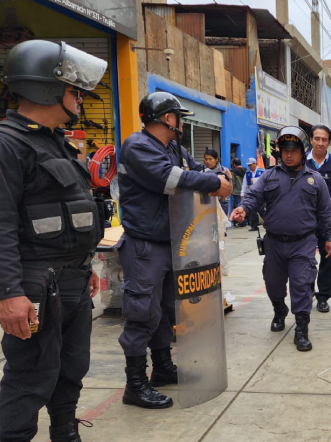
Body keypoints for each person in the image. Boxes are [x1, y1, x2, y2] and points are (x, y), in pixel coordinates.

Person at [0, 40, 105, 442]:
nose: (80, 98)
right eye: (73, 89)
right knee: (30, 374)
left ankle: (65, 431)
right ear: (45, 88)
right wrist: (9, 293)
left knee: (71, 367)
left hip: (70, 281)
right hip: (34, 286)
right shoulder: (2, 145)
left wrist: (84, 268)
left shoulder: (53, 140)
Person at [117, 92, 233, 409]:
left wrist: (219, 178)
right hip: (145, 246)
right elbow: (172, 179)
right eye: (178, 117)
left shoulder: (173, 148)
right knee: (142, 314)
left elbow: (198, 170)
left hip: (171, 244)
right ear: (168, 118)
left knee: (168, 310)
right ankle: (135, 384)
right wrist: (215, 182)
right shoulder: (137, 146)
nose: (181, 122)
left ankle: (163, 368)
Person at [231, 127, 331, 351]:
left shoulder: (315, 180)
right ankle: (279, 310)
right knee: (274, 284)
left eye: (294, 150)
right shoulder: (268, 176)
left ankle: (301, 329)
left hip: (303, 242)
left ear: (302, 152)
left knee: (301, 284)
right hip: (274, 243)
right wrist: (242, 209)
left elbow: (326, 213)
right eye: (285, 150)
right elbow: (253, 196)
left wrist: (330, 237)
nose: (289, 154)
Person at [305, 124, 331, 313]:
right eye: (317, 139)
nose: (320, 143)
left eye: (324, 140)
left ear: (329, 142)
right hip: (303, 221)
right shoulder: (302, 161)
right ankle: (307, 293)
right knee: (304, 260)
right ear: (311, 140)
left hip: (328, 222)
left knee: (328, 259)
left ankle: (323, 297)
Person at [203, 148, 231, 216]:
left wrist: (224, 196)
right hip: (208, 202)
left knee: (222, 224)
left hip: (222, 201)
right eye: (206, 159)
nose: (208, 161)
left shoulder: (224, 171)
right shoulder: (203, 172)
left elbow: (230, 186)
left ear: (216, 159)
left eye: (210, 159)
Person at [242, 157, 265, 231]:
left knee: (261, 209)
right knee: (252, 210)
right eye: (249, 165)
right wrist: (242, 193)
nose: (250, 167)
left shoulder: (262, 171)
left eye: (251, 165)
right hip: (251, 193)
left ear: (255, 164)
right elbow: (244, 184)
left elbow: (265, 181)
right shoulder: (247, 173)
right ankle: (254, 225)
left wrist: (254, 180)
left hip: (260, 193)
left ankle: (268, 222)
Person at [230, 158, 246, 226]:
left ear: (234, 164)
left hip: (237, 192)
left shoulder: (233, 172)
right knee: (244, 207)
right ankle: (245, 222)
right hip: (245, 192)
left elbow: (233, 183)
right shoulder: (245, 170)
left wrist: (230, 190)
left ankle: (241, 223)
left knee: (238, 208)